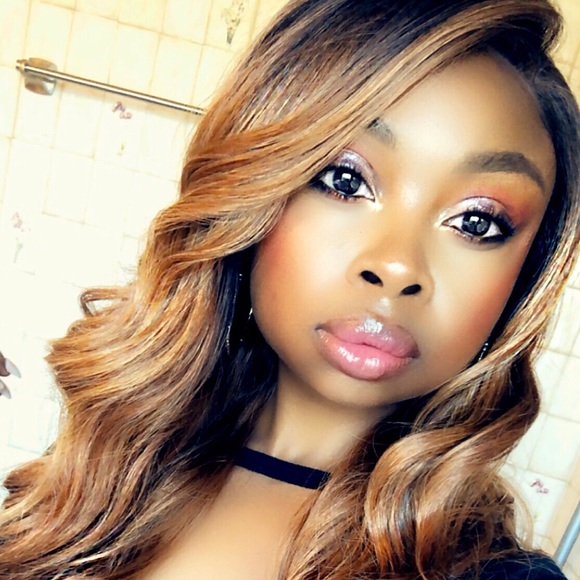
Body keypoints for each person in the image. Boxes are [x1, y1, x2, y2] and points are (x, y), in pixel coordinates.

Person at [1, 0, 579, 577]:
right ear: (253, 192)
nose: (397, 266)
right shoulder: (114, 462)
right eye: (344, 180)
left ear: (524, 277)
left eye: (477, 222)